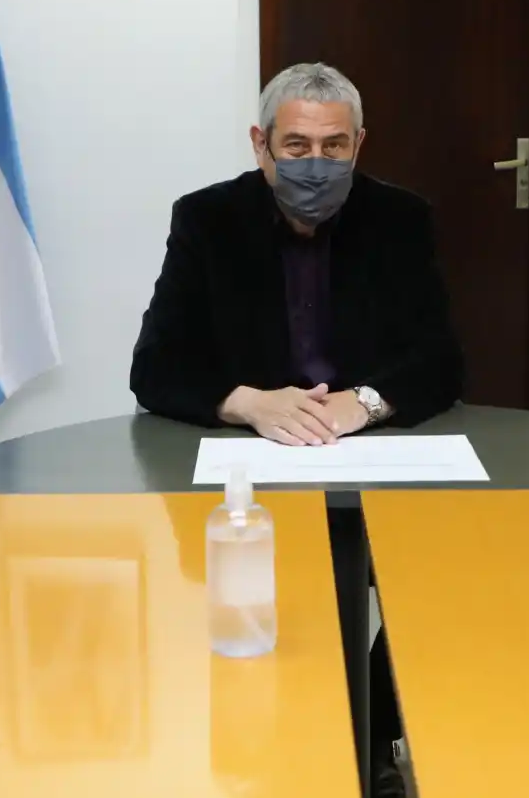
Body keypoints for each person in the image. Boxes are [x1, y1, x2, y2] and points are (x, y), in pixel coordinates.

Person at [131, 62, 463, 796]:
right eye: (297, 145)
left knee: (437, 583)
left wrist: (365, 401)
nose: (316, 164)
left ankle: (373, 744)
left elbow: (442, 362)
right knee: (257, 598)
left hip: (373, 456)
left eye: (335, 147)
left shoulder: (401, 218)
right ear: (260, 143)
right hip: (254, 466)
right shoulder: (206, 219)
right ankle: (274, 748)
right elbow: (154, 366)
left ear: (360, 145)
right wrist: (249, 401)